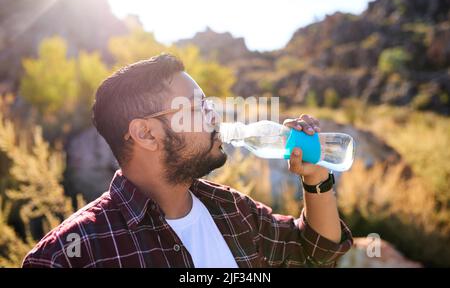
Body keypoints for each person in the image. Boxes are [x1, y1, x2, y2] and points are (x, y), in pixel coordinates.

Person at [22, 54, 352, 268]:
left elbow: (316, 252)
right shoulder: (71, 254)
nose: (214, 118)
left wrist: (316, 177)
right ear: (146, 134)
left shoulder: (231, 208)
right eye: (198, 108)